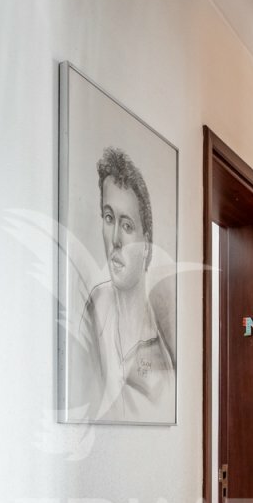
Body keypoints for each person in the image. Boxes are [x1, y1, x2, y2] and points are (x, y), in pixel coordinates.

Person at [73, 146, 174, 423]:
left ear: (146, 245)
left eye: (127, 226)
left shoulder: (158, 365)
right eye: (109, 218)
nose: (115, 239)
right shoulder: (97, 305)